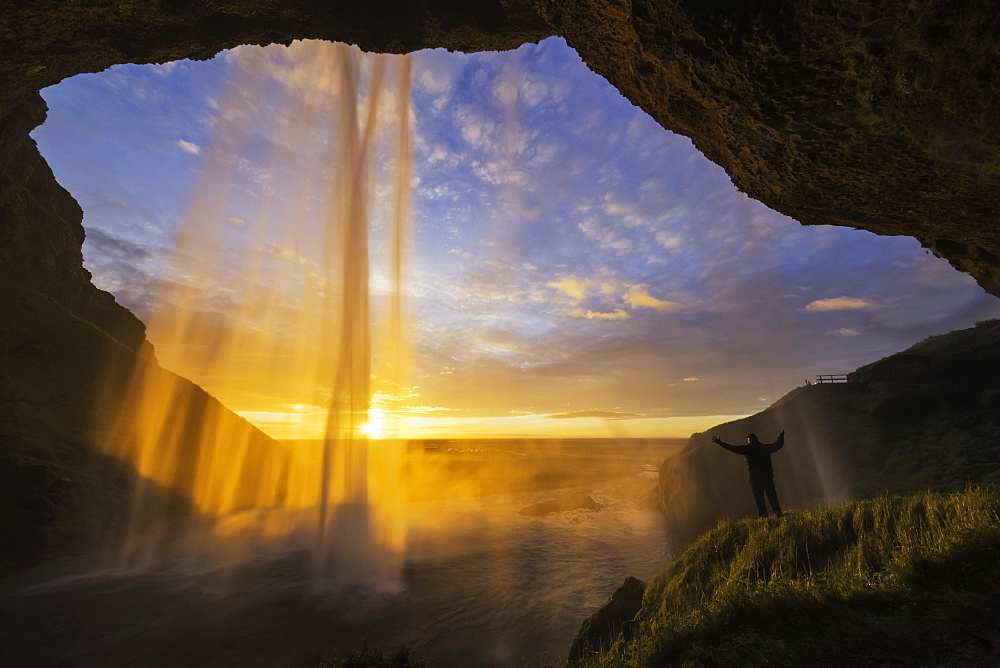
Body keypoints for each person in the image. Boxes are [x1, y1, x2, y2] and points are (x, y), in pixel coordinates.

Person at [712, 431, 785, 518]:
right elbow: (777, 445)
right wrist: (781, 437)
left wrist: (720, 443)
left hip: (755, 478)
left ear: (749, 440)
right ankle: (778, 514)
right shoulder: (765, 447)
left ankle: (763, 516)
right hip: (767, 477)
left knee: (759, 498)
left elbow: (733, 448)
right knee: (772, 496)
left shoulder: (748, 449)